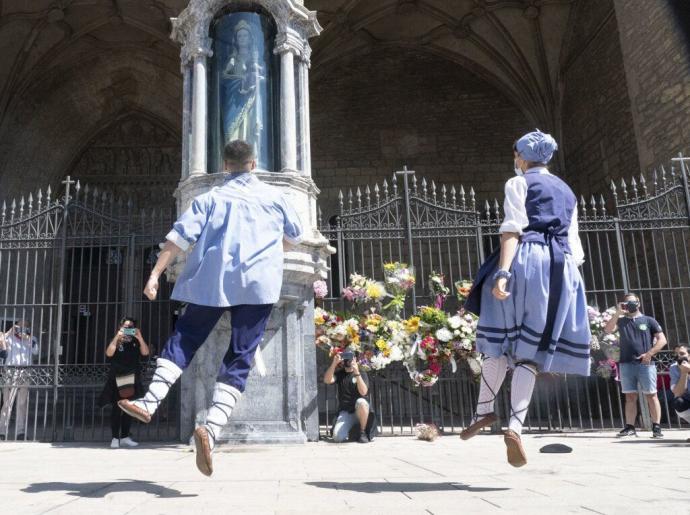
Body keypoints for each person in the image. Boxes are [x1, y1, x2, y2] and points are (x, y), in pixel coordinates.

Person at [118, 140, 302, 476]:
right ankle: (212, 429)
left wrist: (155, 275)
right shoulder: (277, 197)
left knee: (185, 338)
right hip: (258, 285)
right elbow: (293, 237)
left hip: (210, 282)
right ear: (254, 163)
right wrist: (270, 249)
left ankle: (149, 401)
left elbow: (177, 239)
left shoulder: (210, 199)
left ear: (225, 164)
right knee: (241, 354)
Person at [462, 129, 591, 467]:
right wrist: (570, 287)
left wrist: (503, 272)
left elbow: (512, 230)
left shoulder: (517, 183)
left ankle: (484, 410)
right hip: (562, 270)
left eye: (515, 155)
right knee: (529, 355)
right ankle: (516, 427)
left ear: (521, 156)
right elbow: (575, 248)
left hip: (526, 260)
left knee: (497, 340)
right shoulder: (566, 191)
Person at [604, 292, 667, 438]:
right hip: (626, 363)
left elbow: (662, 340)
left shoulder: (649, 320)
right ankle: (630, 427)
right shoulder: (621, 321)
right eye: (627, 303)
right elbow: (607, 330)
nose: (631, 305)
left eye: (633, 302)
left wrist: (649, 354)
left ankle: (656, 427)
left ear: (638, 303)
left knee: (651, 395)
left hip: (646, 364)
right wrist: (617, 313)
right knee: (630, 397)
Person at [98, 317, 150, 448]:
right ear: (120, 326)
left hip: (132, 378)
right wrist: (117, 337)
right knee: (117, 408)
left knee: (129, 409)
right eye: (125, 326)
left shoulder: (136, 341)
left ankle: (125, 436)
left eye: (131, 327)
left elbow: (145, 353)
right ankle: (115, 438)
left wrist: (140, 337)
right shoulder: (117, 340)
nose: (128, 329)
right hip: (117, 378)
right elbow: (109, 354)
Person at [0, 320, 39, 440]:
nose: (21, 328)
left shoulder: (31, 338)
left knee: (22, 403)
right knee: (7, 403)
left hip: (25, 371)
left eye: (25, 326)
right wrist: (9, 331)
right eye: (19, 326)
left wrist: (28, 338)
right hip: (11, 371)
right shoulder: (8, 338)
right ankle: (2, 431)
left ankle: (20, 432)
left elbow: (35, 351)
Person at [323, 351, 371, 444]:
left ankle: (362, 432)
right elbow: (327, 380)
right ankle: (352, 430)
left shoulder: (361, 373)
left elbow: (363, 392)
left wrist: (357, 373)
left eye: (351, 357)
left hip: (359, 411)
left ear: (355, 359)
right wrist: (334, 363)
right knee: (338, 438)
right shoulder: (340, 374)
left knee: (362, 402)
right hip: (346, 412)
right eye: (346, 358)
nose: (348, 360)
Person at [668, 346, 690, 426]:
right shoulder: (674, 368)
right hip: (687, 399)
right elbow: (677, 393)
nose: (679, 356)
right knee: (678, 403)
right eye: (676, 354)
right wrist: (684, 373)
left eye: (682, 353)